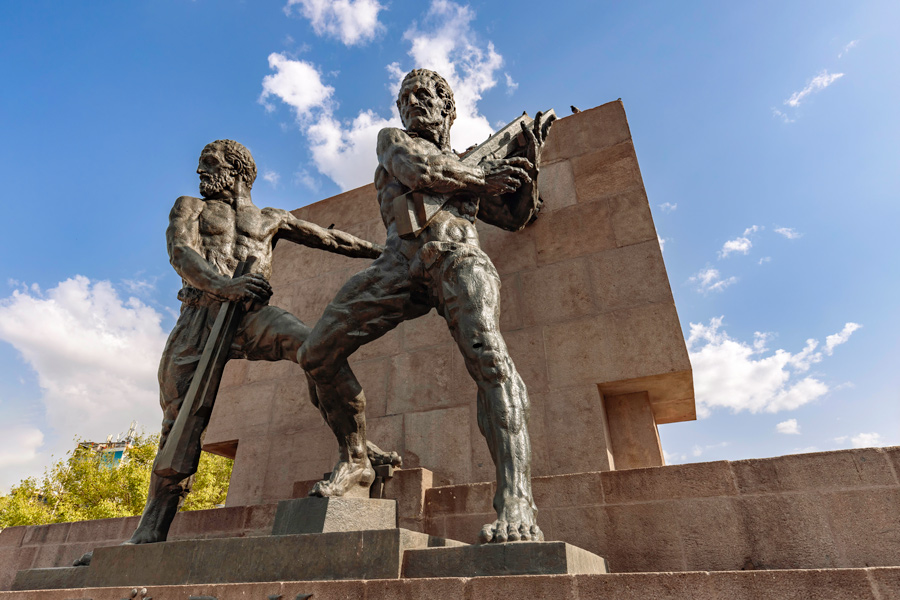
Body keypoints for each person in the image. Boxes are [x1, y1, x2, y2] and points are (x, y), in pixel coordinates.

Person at [75, 139, 383, 565]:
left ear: (237, 170)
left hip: (250, 318)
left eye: (209, 164)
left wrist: (386, 252)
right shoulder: (191, 208)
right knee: (178, 425)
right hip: (200, 318)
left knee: (317, 350)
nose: (199, 172)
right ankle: (150, 531)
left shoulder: (271, 218)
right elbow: (181, 253)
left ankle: (357, 449)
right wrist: (223, 286)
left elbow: (329, 238)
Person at [299, 69, 553, 543]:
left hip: (459, 259)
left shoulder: (469, 167)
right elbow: (420, 171)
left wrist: (527, 168)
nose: (412, 103)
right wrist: (483, 176)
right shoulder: (395, 140)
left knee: (490, 360)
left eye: (423, 95)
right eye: (405, 97)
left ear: (447, 107)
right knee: (315, 353)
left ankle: (517, 503)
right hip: (398, 264)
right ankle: (356, 461)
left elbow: (514, 217)